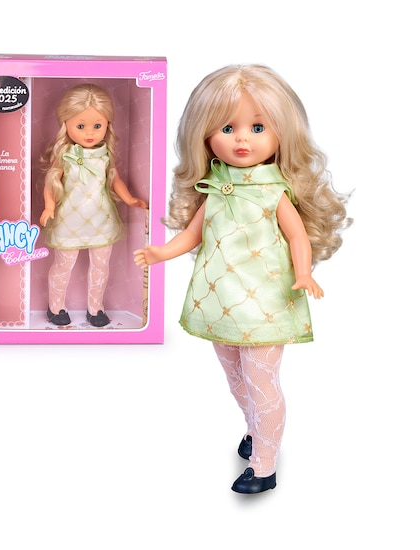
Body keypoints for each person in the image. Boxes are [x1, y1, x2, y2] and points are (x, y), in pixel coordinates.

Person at [134, 65, 351, 493]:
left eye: (257, 127)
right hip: (219, 298)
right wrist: (161, 253)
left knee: (261, 380)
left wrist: (303, 273)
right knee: (235, 376)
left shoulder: (274, 190)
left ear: (282, 133)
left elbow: (297, 236)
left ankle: (264, 465)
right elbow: (193, 234)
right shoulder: (216, 186)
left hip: (266, 299)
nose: (242, 139)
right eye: (228, 128)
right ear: (204, 136)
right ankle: (256, 427)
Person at [40, 84, 147, 327]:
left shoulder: (104, 155)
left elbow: (115, 180)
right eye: (80, 126)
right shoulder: (65, 155)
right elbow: (51, 181)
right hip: (69, 219)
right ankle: (55, 306)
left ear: (107, 124)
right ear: (65, 124)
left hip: (101, 219)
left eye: (97, 126)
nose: (90, 133)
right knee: (63, 264)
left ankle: (95, 308)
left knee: (101, 265)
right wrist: (49, 206)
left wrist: (130, 199)